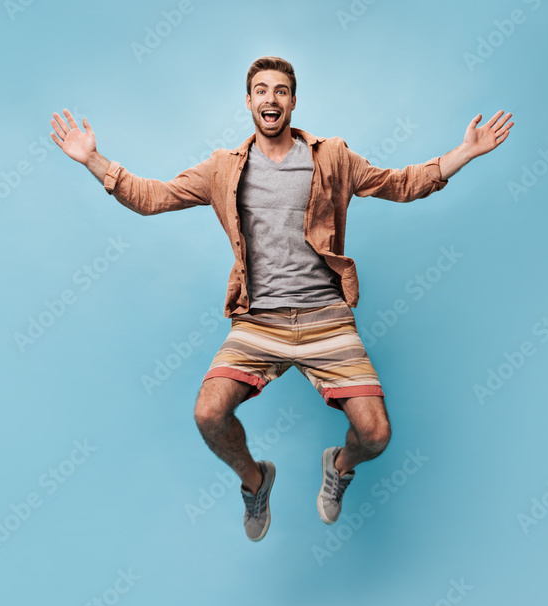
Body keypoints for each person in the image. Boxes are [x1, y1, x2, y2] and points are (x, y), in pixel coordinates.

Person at [49, 56, 513, 542]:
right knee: (208, 413)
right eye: (261, 90)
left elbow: (401, 184)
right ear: (248, 102)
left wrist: (464, 153)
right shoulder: (223, 169)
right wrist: (93, 160)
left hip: (327, 319)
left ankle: (339, 465)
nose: (271, 99)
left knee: (376, 435)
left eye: (281, 91)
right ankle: (256, 480)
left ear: (293, 101)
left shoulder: (331, 156)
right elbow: (153, 197)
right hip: (258, 322)